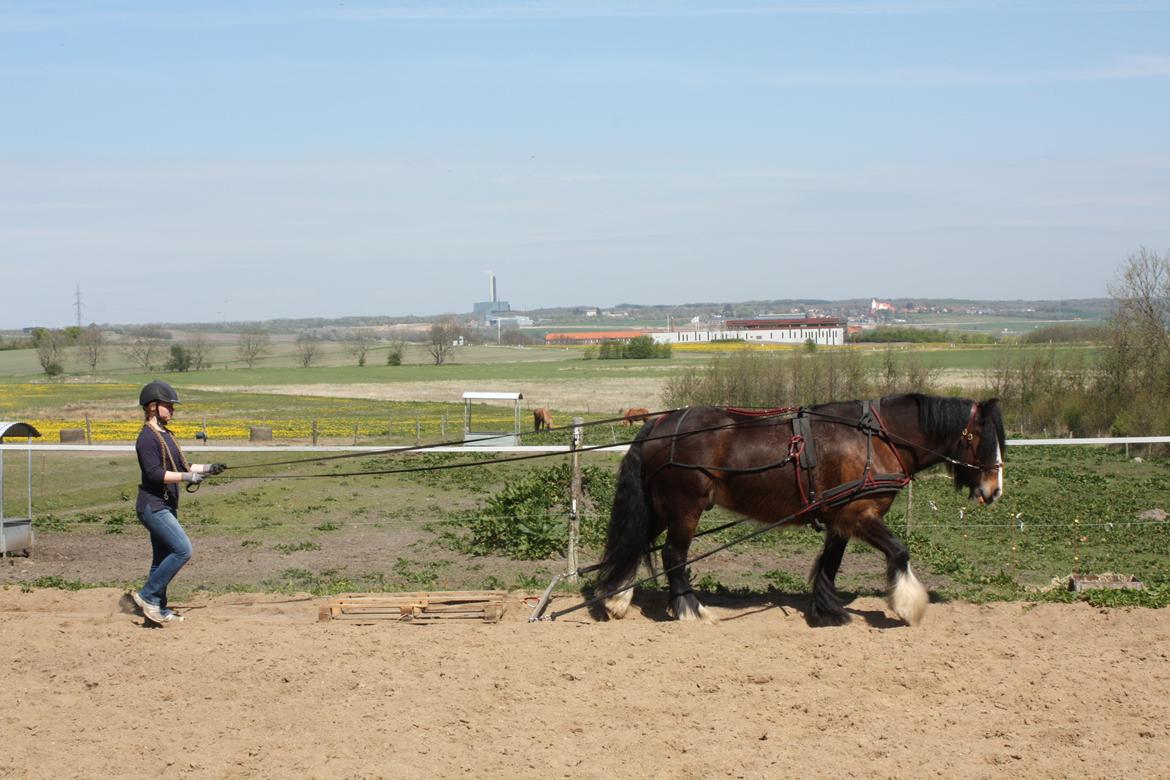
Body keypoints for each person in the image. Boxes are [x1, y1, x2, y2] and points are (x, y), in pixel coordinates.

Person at [131, 380, 225, 626]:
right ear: (152, 406)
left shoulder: (166, 436)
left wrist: (209, 468)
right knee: (183, 550)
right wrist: (187, 477)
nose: (172, 410)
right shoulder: (147, 439)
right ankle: (147, 596)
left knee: (161, 559)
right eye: (168, 406)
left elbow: (182, 466)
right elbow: (154, 474)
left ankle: (157, 609)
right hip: (154, 506)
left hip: (165, 505)